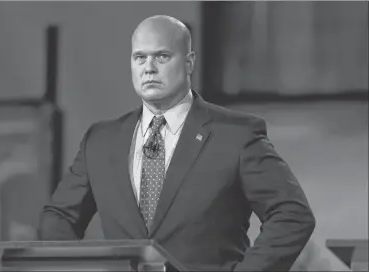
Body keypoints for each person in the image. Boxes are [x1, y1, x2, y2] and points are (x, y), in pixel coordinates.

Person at [38, 15, 316, 271]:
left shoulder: (236, 135)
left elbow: (292, 215)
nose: (148, 68)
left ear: (189, 62)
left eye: (161, 56)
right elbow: (59, 217)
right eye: (139, 57)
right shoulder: (101, 140)